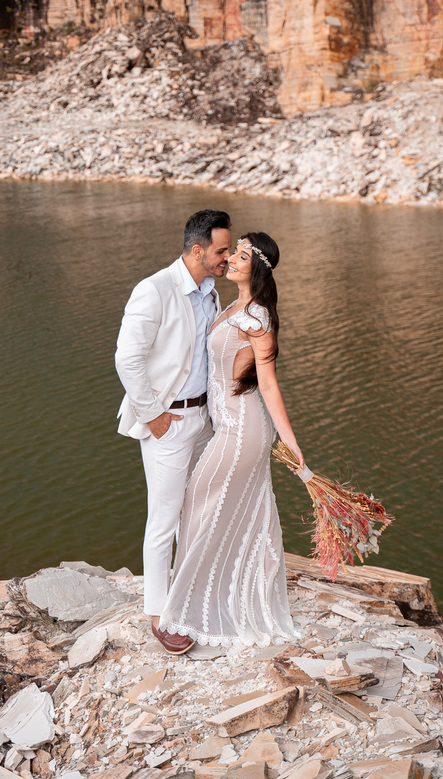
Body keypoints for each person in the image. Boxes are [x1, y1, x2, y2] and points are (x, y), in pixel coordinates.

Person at [159, 232, 305, 649]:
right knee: (206, 506)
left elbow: (270, 385)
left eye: (242, 257)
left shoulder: (257, 319)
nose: (232, 261)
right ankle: (203, 594)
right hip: (225, 426)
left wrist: (291, 442)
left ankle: (188, 610)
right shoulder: (230, 307)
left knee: (201, 501)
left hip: (245, 430)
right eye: (233, 254)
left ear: (256, 268)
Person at [115, 209, 233, 655]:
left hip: (203, 419)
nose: (228, 257)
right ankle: (159, 615)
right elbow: (127, 360)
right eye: (222, 250)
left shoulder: (210, 291)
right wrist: (155, 416)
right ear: (198, 249)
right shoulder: (155, 290)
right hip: (169, 421)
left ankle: (190, 597)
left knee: (198, 514)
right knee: (164, 519)